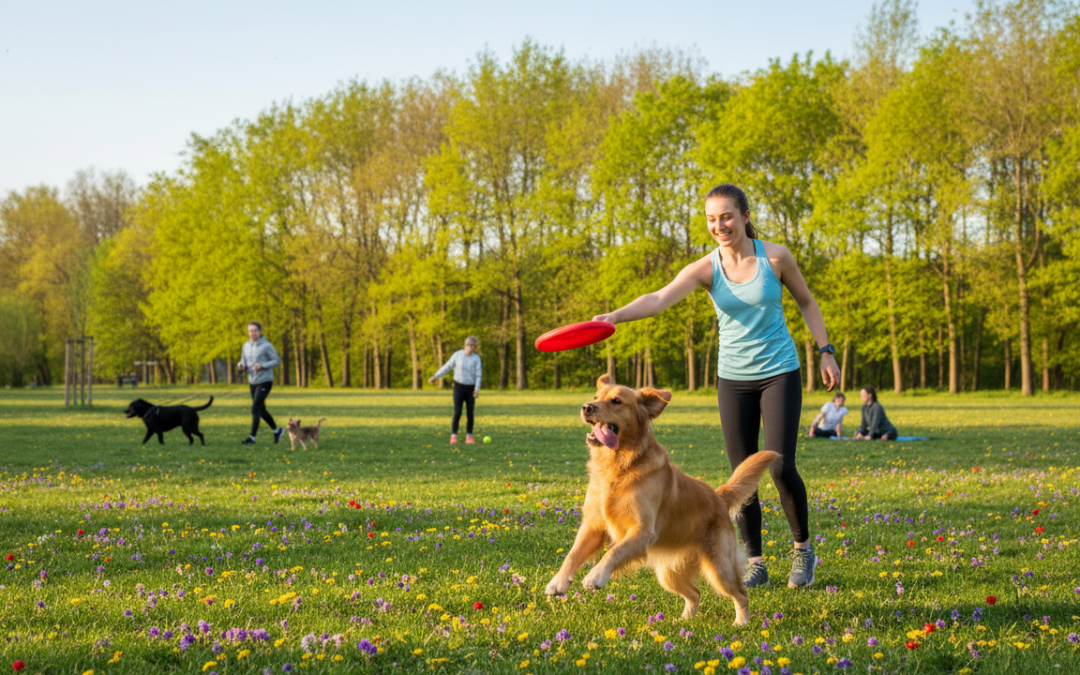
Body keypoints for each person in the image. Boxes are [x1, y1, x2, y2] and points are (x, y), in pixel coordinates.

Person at [592, 184, 840, 590]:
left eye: (726, 216)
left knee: (779, 465)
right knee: (742, 475)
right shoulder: (706, 268)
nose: (719, 225)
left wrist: (825, 351)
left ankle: (803, 549)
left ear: (744, 215)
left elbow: (806, 302)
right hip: (733, 379)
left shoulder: (775, 257)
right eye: (711, 219)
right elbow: (658, 298)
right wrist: (615, 316)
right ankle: (755, 560)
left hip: (779, 371)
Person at [237, 321, 285, 446]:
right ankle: (277, 430)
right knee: (261, 409)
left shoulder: (266, 345)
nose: (252, 333)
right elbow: (243, 361)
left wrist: (262, 365)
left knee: (255, 408)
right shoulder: (245, 346)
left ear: (259, 332)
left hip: (265, 380)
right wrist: (241, 365)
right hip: (252, 381)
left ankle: (252, 438)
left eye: (255, 330)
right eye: (250, 331)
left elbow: (276, 360)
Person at [428, 336, 483, 444]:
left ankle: (469, 436)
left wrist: (476, 389)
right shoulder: (457, 355)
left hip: (470, 388)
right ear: (465, 345)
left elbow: (478, 375)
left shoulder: (476, 359)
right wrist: (436, 376)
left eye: (472, 346)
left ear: (475, 347)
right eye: (468, 345)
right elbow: (447, 367)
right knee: (457, 412)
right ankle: (454, 436)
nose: (470, 348)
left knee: (470, 413)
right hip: (458, 387)